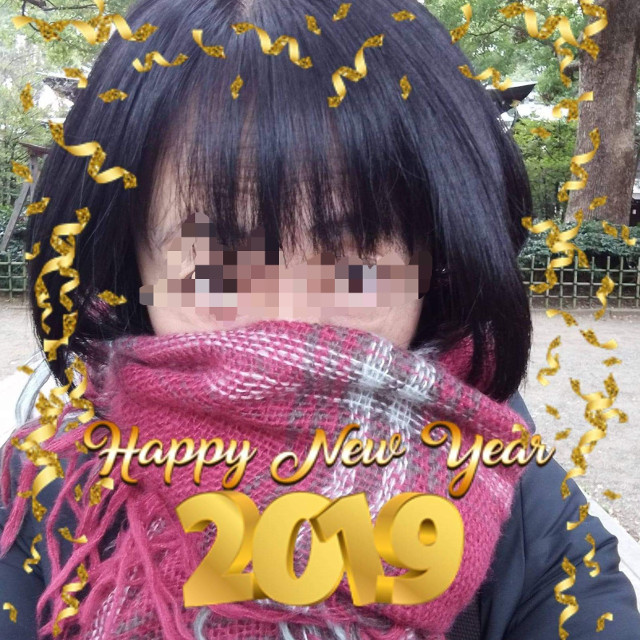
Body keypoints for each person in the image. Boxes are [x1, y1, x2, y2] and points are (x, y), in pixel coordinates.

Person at [1, 0, 638, 638]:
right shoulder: (45, 496)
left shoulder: (522, 505)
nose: (293, 321)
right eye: (218, 260)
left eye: (354, 259)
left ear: (434, 260)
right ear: (130, 264)